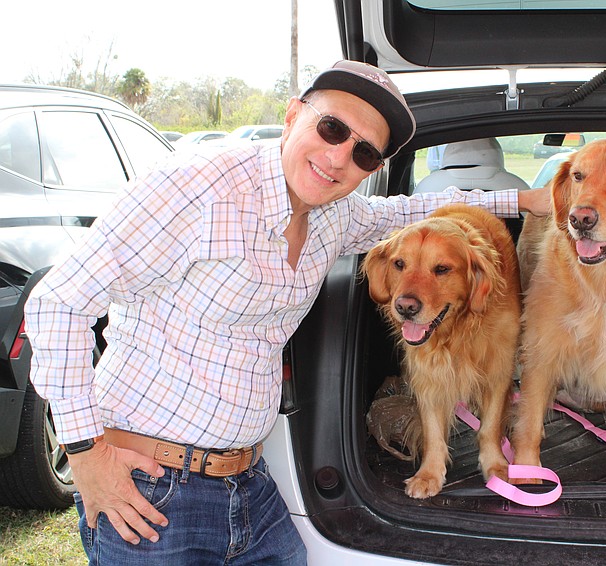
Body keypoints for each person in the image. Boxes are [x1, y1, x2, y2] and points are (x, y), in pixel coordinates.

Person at [24, 60, 549, 565]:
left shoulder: (334, 214)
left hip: (250, 485)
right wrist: (85, 455)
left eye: (365, 153)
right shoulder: (199, 187)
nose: (341, 156)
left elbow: (410, 211)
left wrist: (525, 203)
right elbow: (58, 301)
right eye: (331, 128)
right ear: (293, 114)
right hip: (150, 489)